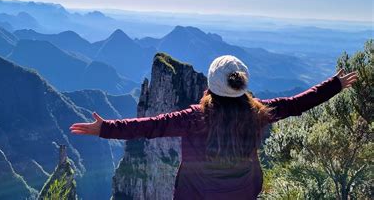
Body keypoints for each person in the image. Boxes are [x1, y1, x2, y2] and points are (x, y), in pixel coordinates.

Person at [70, 55, 358, 200]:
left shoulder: (195, 118)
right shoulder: (258, 113)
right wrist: (333, 85)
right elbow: (297, 103)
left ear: (210, 84)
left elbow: (150, 127)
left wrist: (104, 128)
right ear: (242, 83)